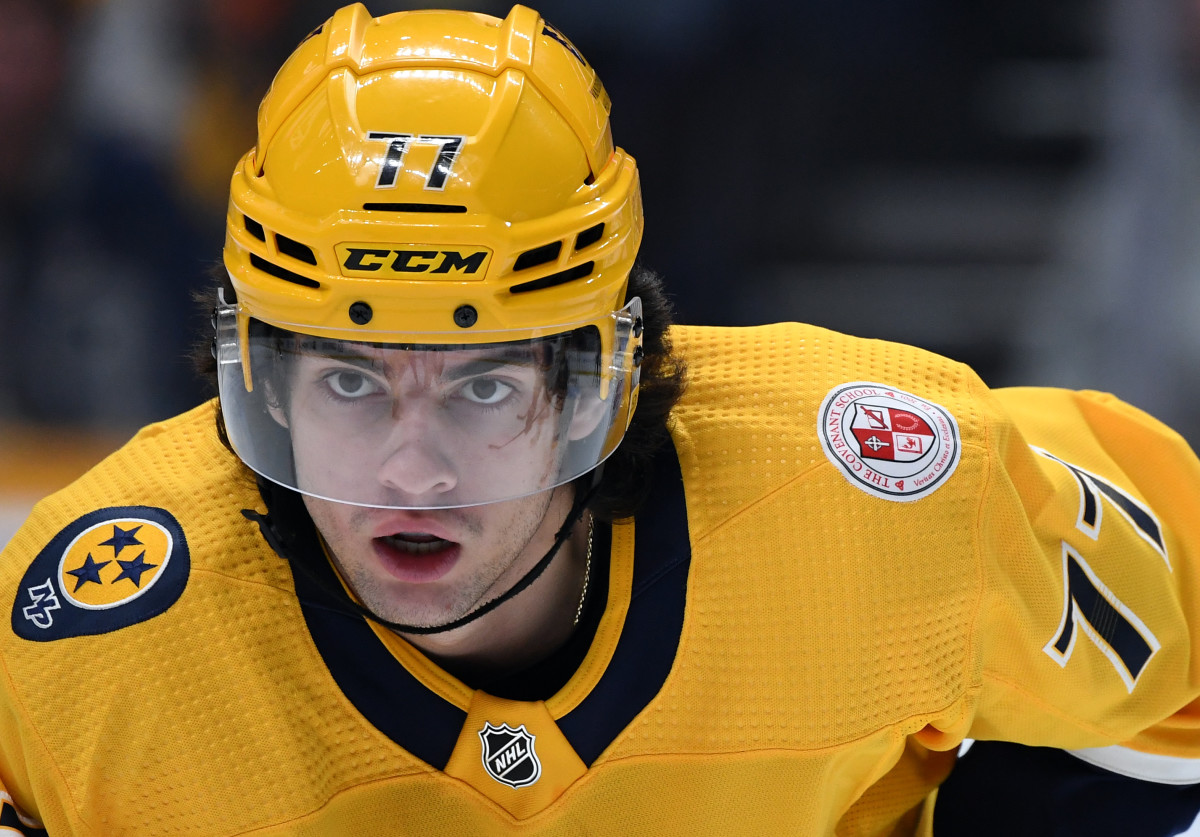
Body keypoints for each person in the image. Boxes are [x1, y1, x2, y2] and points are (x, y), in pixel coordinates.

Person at [1, 5, 1199, 835]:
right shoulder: (94, 645)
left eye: (483, 385)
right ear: (262, 385)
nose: (413, 472)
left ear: (601, 379)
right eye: (352, 382)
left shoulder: (882, 487)